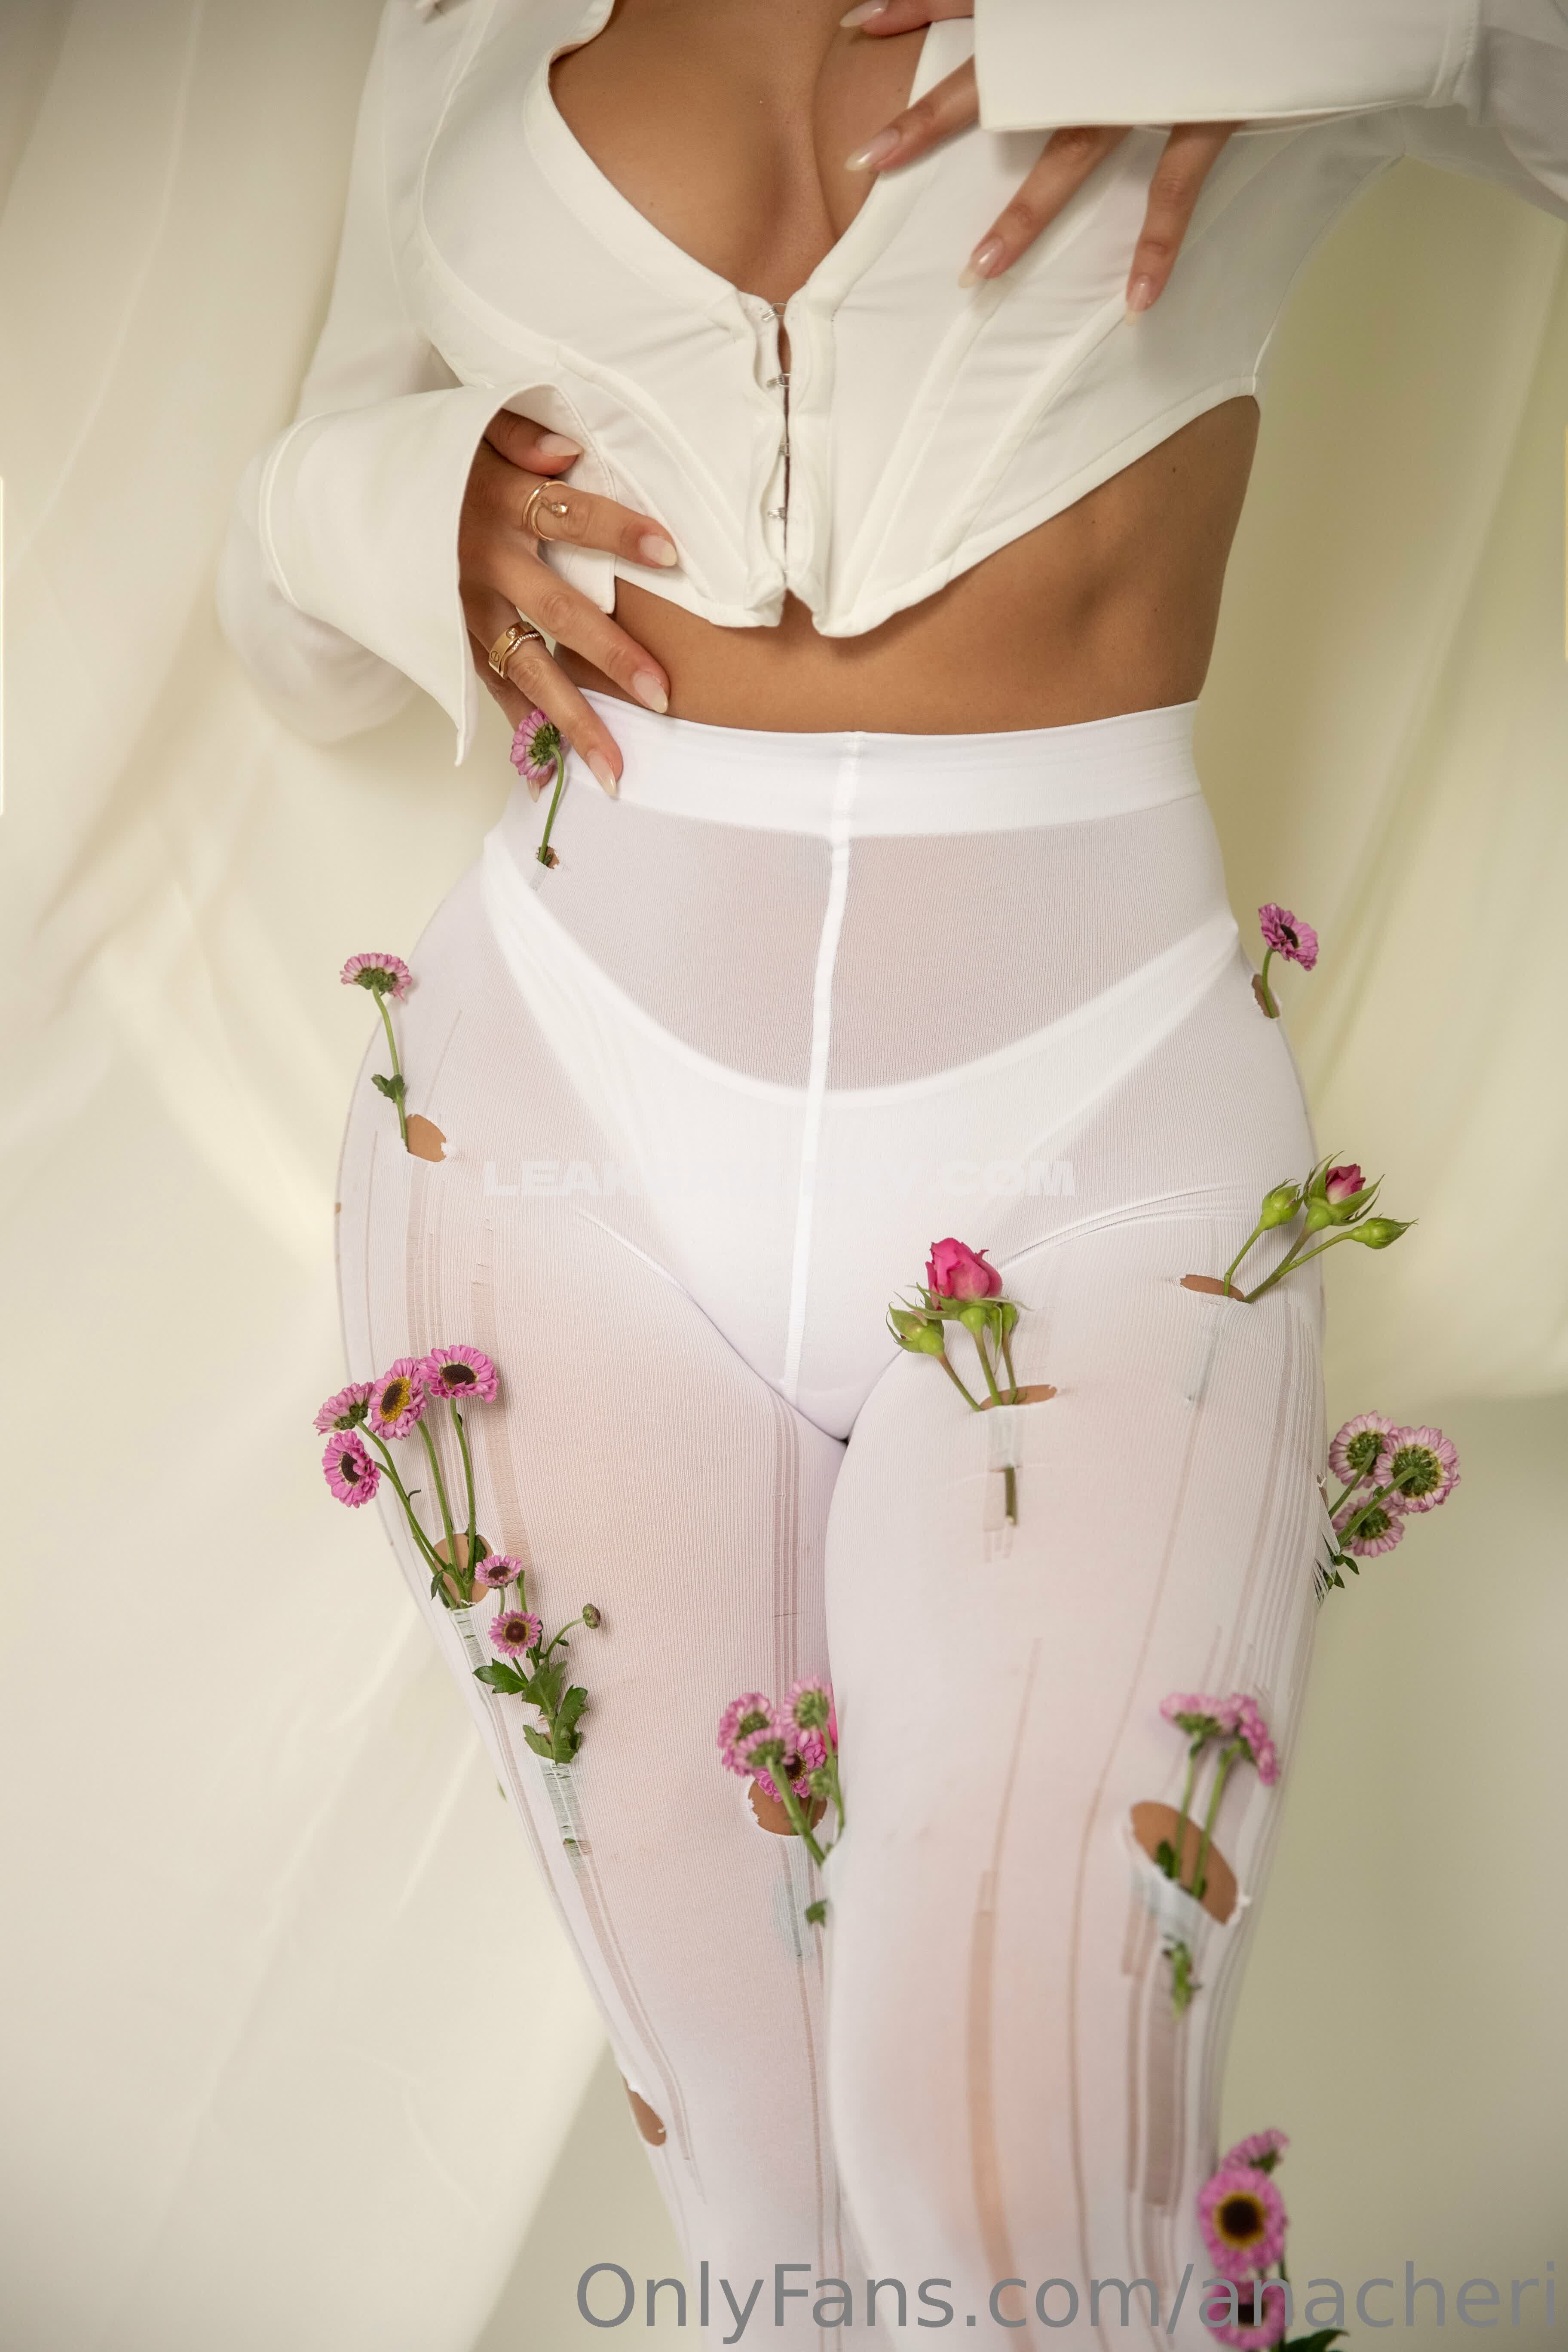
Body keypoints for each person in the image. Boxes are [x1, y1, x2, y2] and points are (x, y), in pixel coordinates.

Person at [218, 2, 1567, 2338]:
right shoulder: (462, 34)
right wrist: (410, 500)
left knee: (1032, 2206)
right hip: (544, 1128)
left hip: (1099, 1143)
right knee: (776, 2242)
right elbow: (288, 623)